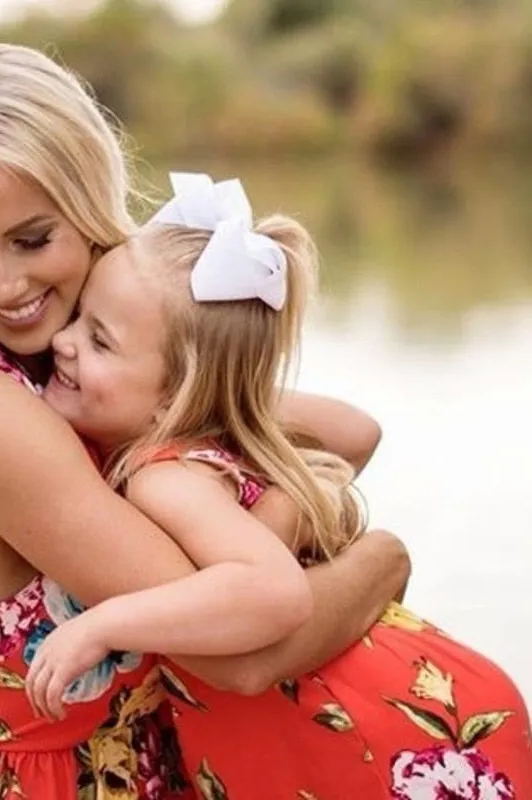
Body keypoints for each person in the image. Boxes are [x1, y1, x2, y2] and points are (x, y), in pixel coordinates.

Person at [0, 44, 410, 800]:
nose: (5, 284)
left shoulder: (88, 372)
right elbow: (242, 655)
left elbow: (338, 433)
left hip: (157, 767)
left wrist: (275, 491)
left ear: (87, 210)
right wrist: (381, 557)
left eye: (32, 238)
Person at [26, 173, 532, 799]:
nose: (61, 342)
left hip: (377, 741)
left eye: (99, 339)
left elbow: (273, 591)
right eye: (79, 319)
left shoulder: (162, 477)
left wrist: (102, 625)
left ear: (172, 396)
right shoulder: (204, 447)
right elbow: (355, 431)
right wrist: (217, 399)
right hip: (426, 703)